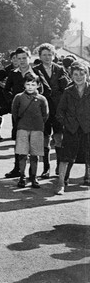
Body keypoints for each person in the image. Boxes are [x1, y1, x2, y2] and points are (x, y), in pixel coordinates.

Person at [3, 47, 51, 178]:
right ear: (15, 60)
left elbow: (47, 90)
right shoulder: (13, 73)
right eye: (19, 59)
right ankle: (17, 169)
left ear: (29, 58)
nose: (22, 61)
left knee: (38, 142)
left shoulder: (36, 72)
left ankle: (39, 170)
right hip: (20, 115)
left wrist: (37, 100)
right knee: (20, 141)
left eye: (24, 58)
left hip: (36, 115)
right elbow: (6, 90)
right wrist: (13, 102)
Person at [36, 43, 70, 178]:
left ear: (54, 56)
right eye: (44, 55)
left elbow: (66, 88)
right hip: (42, 108)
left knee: (58, 138)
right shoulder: (35, 70)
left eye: (50, 54)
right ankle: (46, 168)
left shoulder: (60, 69)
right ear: (40, 56)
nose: (47, 57)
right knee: (45, 138)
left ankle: (58, 167)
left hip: (58, 108)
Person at [55, 61, 90, 194]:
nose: (79, 77)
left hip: (87, 129)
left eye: (82, 74)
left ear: (86, 75)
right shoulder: (68, 91)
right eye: (75, 74)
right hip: (71, 130)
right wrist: (68, 124)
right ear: (71, 76)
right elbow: (60, 112)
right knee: (65, 158)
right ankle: (61, 184)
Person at [12, 72, 49, 188]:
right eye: (28, 84)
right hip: (22, 128)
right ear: (24, 85)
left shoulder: (42, 99)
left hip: (37, 128)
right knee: (22, 153)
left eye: (33, 84)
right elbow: (14, 112)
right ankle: (22, 176)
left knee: (35, 154)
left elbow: (45, 114)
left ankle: (34, 176)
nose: (30, 87)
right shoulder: (18, 97)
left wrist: (38, 123)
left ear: (38, 85)